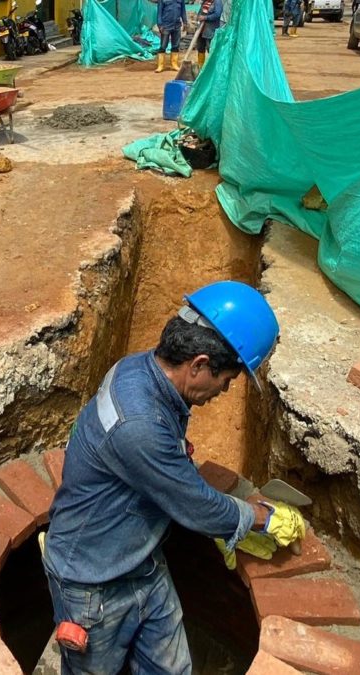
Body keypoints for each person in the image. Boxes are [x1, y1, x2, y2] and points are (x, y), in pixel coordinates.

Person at [43, 281, 306, 674]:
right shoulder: (139, 424)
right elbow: (194, 504)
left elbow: (164, 469)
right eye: (226, 381)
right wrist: (260, 518)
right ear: (199, 364)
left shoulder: (140, 370)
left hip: (142, 563)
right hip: (92, 586)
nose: (224, 391)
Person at [151, 0, 188, 73]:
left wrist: (185, 22)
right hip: (166, 26)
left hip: (177, 25)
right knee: (163, 46)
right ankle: (160, 66)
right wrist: (160, 24)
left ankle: (174, 64)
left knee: (176, 45)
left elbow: (183, 11)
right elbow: (159, 13)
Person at [195, 0, 223, 71]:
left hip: (210, 30)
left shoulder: (217, 2)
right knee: (200, 48)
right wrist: (198, 18)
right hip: (201, 30)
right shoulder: (205, 1)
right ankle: (200, 68)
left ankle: (212, 69)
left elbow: (217, 14)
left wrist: (205, 18)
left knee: (210, 49)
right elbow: (200, 12)